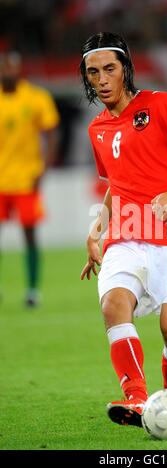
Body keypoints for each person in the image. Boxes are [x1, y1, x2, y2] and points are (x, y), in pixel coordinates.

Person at [80, 32, 167, 427]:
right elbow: (117, 184)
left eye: (110, 69)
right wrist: (97, 230)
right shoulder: (98, 129)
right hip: (126, 235)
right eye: (93, 73)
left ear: (126, 69)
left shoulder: (162, 105)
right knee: (113, 304)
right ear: (86, 78)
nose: (103, 79)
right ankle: (138, 400)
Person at [0, 51, 60, 307]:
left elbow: (51, 133)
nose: (8, 72)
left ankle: (33, 291)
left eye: (12, 68)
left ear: (19, 69)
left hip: (26, 179)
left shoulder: (35, 98)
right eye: (4, 68)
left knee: (30, 235)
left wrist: (43, 168)